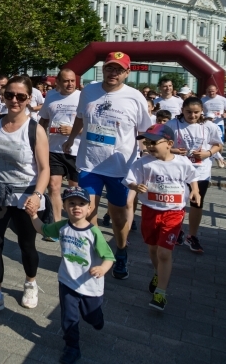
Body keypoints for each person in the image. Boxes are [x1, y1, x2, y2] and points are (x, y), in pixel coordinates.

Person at [63, 52, 153, 281]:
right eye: (109, 68)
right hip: (90, 163)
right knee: (87, 210)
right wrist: (71, 139)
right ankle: (98, 253)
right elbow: (81, 118)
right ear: (103, 68)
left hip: (120, 167)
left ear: (127, 72)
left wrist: (150, 158)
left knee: (119, 217)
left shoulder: (135, 97)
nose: (113, 73)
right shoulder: (89, 91)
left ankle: (121, 251)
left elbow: (145, 131)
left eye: (118, 69)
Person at [0, 75, 50, 316]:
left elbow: (45, 168)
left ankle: (30, 283)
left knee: (26, 245)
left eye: (20, 96)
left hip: (25, 195)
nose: (14, 100)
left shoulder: (35, 130)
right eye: (10, 95)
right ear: (3, 96)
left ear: (29, 99)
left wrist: (38, 195)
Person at [31, 187, 114, 364]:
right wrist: (33, 216)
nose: (77, 207)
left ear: (89, 208)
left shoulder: (94, 232)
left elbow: (108, 257)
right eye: (72, 203)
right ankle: (72, 348)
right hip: (67, 281)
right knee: (69, 316)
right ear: (65, 207)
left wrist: (102, 269)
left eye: (82, 203)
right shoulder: (62, 227)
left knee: (90, 316)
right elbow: (43, 229)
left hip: (90, 285)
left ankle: (97, 318)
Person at [125, 123, 200, 311]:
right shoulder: (142, 162)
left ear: (169, 143)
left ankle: (160, 294)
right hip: (150, 210)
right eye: (146, 142)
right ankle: (158, 273)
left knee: (164, 252)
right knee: (152, 250)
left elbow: (192, 177)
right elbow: (129, 179)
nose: (149, 146)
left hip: (174, 212)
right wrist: (135, 186)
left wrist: (195, 191)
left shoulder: (182, 162)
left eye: (153, 142)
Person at [165, 97, 222, 253]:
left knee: (197, 203)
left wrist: (207, 153)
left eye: (196, 112)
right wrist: (173, 150)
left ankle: (193, 235)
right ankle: (177, 231)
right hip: (178, 171)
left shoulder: (209, 126)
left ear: (202, 111)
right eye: (189, 112)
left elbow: (218, 145)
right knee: (177, 202)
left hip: (200, 171)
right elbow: (160, 145)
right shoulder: (172, 125)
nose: (192, 115)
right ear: (182, 110)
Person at [38, 69, 81, 225]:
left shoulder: (82, 97)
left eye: (72, 81)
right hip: (54, 149)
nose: (69, 84)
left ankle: (74, 222)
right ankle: (56, 223)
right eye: (66, 81)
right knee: (53, 186)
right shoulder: (51, 96)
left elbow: (91, 125)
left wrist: (73, 131)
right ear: (58, 82)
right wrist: (38, 140)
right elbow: (43, 120)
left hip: (76, 150)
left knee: (74, 189)